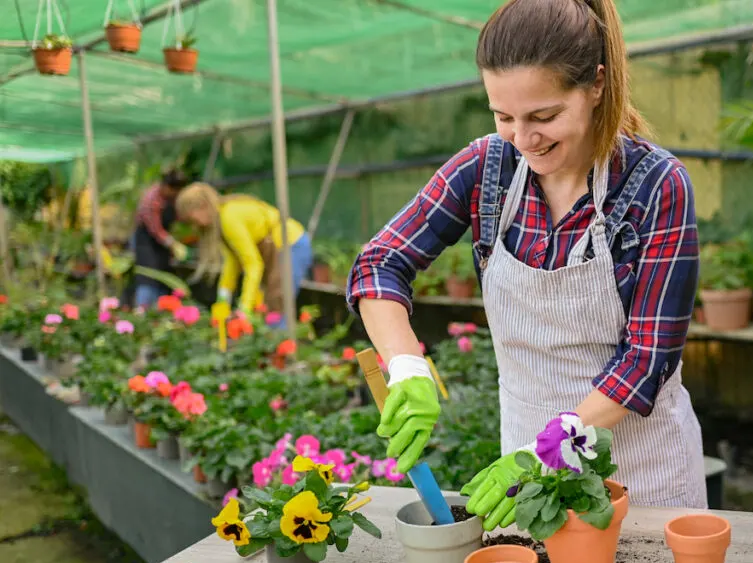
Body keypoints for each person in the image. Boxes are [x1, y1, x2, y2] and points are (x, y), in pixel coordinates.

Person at [346, 0, 706, 531]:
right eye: (503, 116)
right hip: (522, 482)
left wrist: (548, 451)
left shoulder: (655, 186)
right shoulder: (486, 170)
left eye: (544, 116)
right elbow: (381, 261)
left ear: (596, 85)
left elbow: (646, 362)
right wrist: (405, 366)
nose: (522, 138)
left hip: (640, 475)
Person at [174, 182, 313, 323]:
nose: (194, 225)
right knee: (270, 307)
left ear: (203, 206)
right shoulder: (221, 221)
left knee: (278, 304)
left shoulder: (228, 218)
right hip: (280, 247)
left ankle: (284, 341)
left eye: (192, 219)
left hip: (291, 243)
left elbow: (253, 264)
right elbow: (232, 263)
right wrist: (223, 302)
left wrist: (244, 309)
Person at [131, 168, 190, 308]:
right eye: (174, 190)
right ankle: (143, 310)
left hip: (162, 244)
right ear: (166, 186)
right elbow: (156, 230)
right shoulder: (151, 199)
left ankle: (162, 311)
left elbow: (178, 219)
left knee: (164, 276)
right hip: (146, 241)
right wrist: (173, 244)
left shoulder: (173, 199)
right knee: (147, 276)